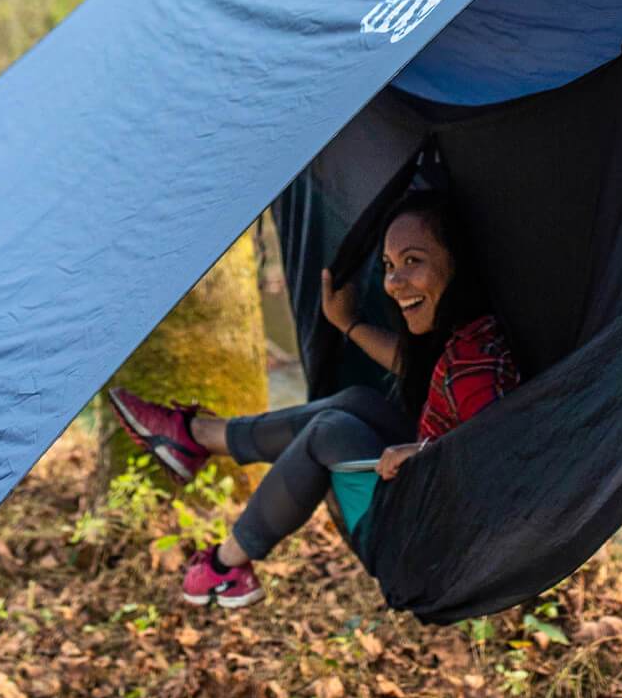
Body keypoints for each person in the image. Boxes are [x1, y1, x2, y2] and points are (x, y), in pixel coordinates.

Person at [107, 190, 521, 608]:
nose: (394, 282)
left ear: (457, 260)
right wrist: (350, 323)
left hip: (430, 552)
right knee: (358, 402)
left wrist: (422, 452)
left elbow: (493, 465)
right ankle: (196, 438)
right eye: (388, 266)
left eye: (413, 261)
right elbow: (425, 372)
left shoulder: (473, 370)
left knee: (331, 432)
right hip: (426, 506)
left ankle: (224, 566)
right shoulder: (474, 334)